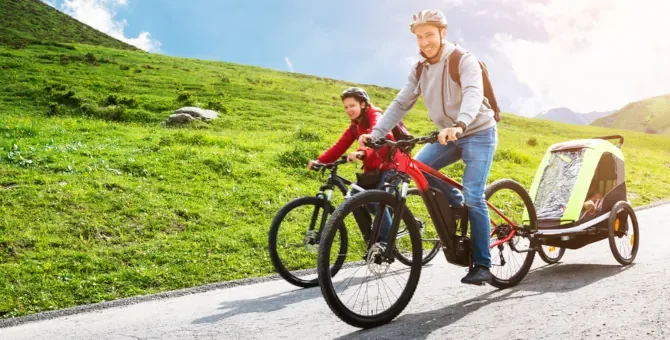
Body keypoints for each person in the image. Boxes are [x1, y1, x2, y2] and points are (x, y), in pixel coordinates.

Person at [358, 9, 498, 285]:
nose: (424, 42)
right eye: (419, 37)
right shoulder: (420, 68)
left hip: (478, 131)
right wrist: (376, 133)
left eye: (429, 35)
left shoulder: (463, 59)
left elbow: (473, 92)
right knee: (422, 168)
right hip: (448, 134)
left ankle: (482, 263)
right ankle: (456, 203)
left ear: (443, 34)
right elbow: (401, 103)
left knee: (474, 195)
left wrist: (460, 124)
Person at [308, 87, 402, 246]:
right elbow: (339, 146)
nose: (348, 110)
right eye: (346, 107)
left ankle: (388, 245)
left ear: (363, 104)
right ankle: (373, 238)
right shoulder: (355, 126)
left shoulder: (376, 116)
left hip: (392, 167)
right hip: (372, 172)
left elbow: (380, 137)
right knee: (353, 197)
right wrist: (321, 161)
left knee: (378, 202)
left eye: (352, 105)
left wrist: (362, 153)